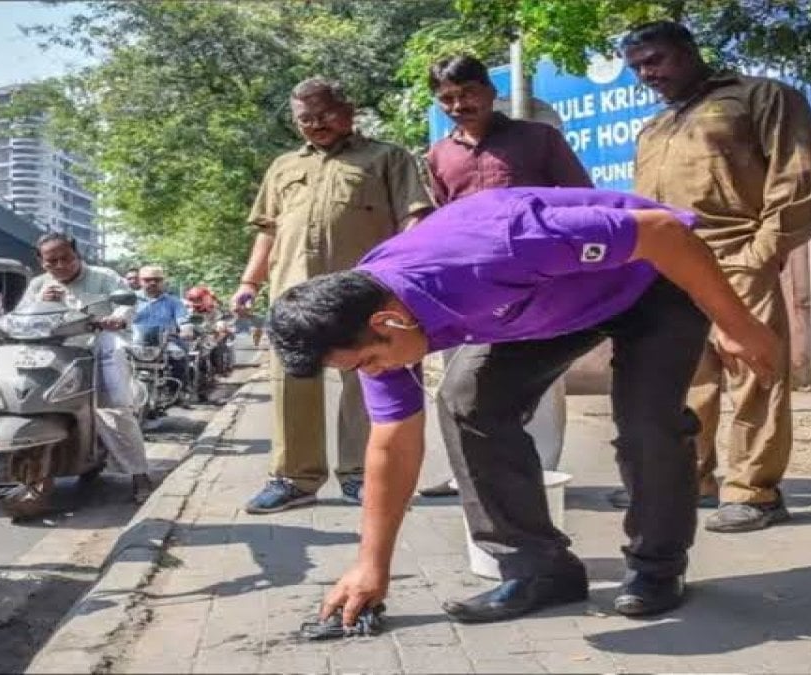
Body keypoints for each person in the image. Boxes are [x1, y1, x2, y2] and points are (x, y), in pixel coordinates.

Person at [267, 187, 782, 626]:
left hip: (653, 278)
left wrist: (738, 326)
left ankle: (657, 566)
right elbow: (392, 445)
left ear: (389, 325)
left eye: (367, 364)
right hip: (549, 307)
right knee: (468, 400)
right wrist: (371, 567)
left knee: (647, 423)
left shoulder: (501, 244)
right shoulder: (367, 315)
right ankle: (538, 570)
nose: (371, 375)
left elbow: (665, 232)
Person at [622, 21, 811, 531]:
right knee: (687, 380)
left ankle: (755, 491)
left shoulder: (762, 97)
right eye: (638, 67)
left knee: (754, 374)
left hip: (737, 256)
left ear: (690, 50)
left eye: (657, 59)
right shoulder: (655, 127)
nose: (648, 73)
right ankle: (691, 481)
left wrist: (761, 254)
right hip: (668, 267)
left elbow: (796, 179)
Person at [234, 77, 434, 514]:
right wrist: (250, 284)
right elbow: (267, 233)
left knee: (365, 376)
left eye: (323, 114)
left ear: (348, 110)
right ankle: (294, 478)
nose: (314, 124)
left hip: (363, 293)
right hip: (294, 294)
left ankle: (360, 474)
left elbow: (414, 219)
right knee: (291, 379)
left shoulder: (387, 158)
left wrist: (402, 279)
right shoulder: (283, 166)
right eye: (304, 118)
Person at [418, 54, 593, 498]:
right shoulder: (438, 156)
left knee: (540, 373)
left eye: (468, 93)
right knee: (461, 378)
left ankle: (540, 471)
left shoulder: (538, 140)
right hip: (467, 284)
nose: (459, 105)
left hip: (537, 280)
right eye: (447, 99)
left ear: (491, 91)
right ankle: (468, 472)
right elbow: (441, 216)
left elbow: (580, 200)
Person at [21, 234, 153, 504]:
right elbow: (21, 317)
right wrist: (41, 301)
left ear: (77, 254)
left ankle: (140, 475)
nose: (60, 265)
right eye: (51, 261)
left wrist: (115, 319)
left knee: (113, 408)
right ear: (41, 262)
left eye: (66, 258)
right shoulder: (38, 284)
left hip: (98, 348)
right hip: (54, 353)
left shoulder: (104, 277)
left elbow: (126, 305)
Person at [132, 265, 191, 386]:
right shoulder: (131, 300)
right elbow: (119, 316)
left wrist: (186, 330)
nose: (153, 283)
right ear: (140, 281)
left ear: (163, 281)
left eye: (157, 280)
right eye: (147, 280)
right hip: (134, 343)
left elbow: (183, 320)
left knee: (179, 356)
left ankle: (179, 391)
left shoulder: (174, 302)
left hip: (165, 343)